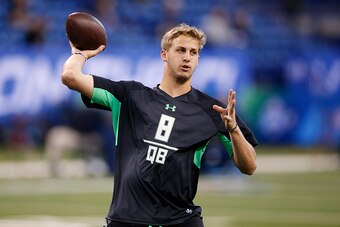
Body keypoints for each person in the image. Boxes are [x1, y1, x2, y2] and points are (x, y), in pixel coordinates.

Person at [61, 23, 257, 227]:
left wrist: (233, 129)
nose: (187, 57)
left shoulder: (213, 110)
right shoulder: (130, 96)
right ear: (164, 55)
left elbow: (249, 166)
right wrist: (79, 53)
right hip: (126, 220)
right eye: (180, 50)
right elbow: (70, 76)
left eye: (194, 52)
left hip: (181, 221)